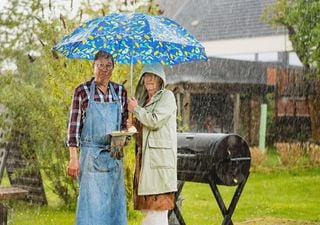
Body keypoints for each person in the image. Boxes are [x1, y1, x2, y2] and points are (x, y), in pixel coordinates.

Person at [66, 50, 128, 225]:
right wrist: (73, 158)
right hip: (90, 156)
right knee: (91, 210)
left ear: (113, 68)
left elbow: (124, 124)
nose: (104, 70)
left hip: (114, 156)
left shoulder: (120, 91)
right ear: (93, 66)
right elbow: (73, 127)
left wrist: (126, 132)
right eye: (100, 65)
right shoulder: (82, 91)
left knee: (113, 209)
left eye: (109, 66)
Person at [127, 64, 177, 225]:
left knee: (158, 209)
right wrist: (131, 125)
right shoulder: (143, 101)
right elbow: (143, 133)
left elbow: (154, 121)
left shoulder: (167, 97)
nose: (149, 79)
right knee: (149, 209)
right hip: (145, 160)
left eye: (153, 76)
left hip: (159, 162)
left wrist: (136, 110)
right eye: (146, 75)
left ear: (160, 79)